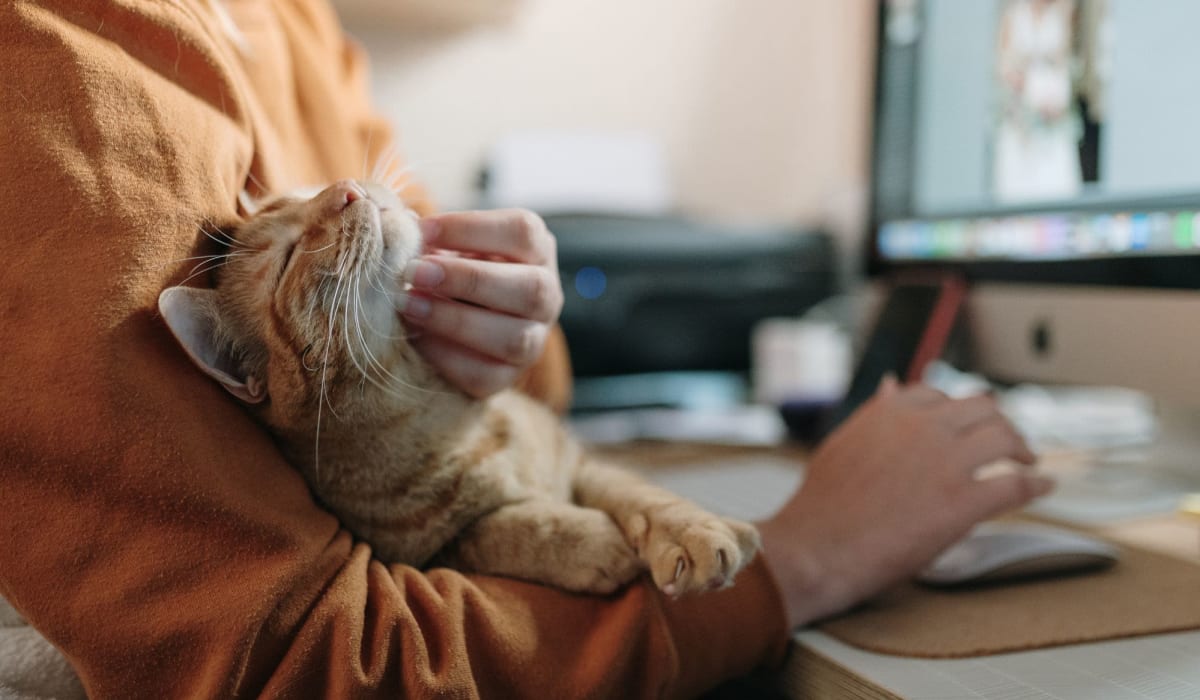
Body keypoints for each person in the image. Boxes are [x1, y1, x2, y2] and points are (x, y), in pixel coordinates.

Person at [0, 1, 1051, 696]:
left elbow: (521, 401)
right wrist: (806, 558)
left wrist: (500, 333)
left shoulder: (297, 22)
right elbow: (299, 661)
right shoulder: (49, 67)